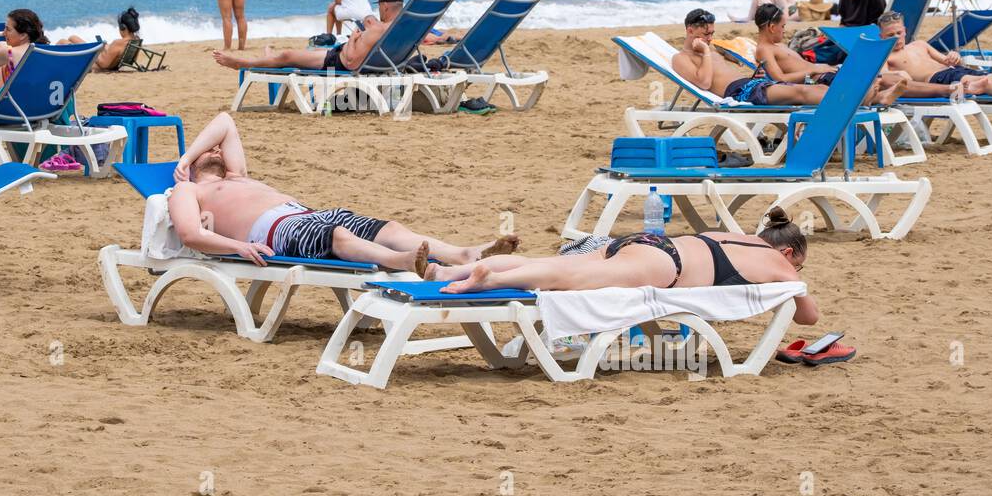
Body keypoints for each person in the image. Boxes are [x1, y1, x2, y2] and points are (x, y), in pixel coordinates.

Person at [167, 113, 519, 270]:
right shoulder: (188, 191)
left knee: (389, 228)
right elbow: (189, 233)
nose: (214, 149)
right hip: (275, 232)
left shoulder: (237, 175)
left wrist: (188, 153)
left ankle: (463, 254)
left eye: (214, 148)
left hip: (307, 213)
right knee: (336, 236)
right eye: (208, 151)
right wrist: (239, 247)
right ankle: (399, 262)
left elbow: (225, 121)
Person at [426, 207, 821, 326]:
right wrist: (796, 283)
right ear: (788, 253)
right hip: (666, 265)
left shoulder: (740, 237)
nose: (795, 275)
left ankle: (447, 272)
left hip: (649, 241)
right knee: (569, 277)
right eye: (798, 265)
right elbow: (809, 319)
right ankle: (486, 279)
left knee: (546, 261)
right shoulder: (782, 267)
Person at [673, 8, 906, 107]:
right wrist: (704, 53)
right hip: (739, 92)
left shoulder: (710, 50)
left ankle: (870, 99)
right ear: (690, 30)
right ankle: (864, 100)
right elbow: (703, 83)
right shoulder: (681, 58)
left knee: (815, 91)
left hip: (751, 85)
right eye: (705, 34)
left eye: (712, 33)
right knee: (801, 92)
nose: (709, 39)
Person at [213, 0, 405, 73]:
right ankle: (269, 57)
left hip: (337, 62)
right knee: (306, 53)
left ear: (385, 6)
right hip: (364, 61)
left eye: (379, 6)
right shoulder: (403, 27)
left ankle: (242, 63)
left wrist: (355, 38)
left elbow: (352, 61)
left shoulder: (377, 30)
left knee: (287, 56)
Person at [878, 11, 992, 97]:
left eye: (899, 33)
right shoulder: (887, 57)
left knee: (990, 76)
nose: (896, 38)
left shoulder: (920, 44)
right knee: (985, 83)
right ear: (882, 37)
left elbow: (947, 61)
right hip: (940, 79)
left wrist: (954, 57)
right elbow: (882, 75)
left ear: (905, 31)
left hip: (955, 70)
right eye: (890, 35)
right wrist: (898, 74)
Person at [753, 3, 840, 86]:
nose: (784, 31)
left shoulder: (776, 46)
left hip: (823, 74)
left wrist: (817, 67)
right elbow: (780, 79)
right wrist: (814, 70)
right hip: (820, 81)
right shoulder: (764, 49)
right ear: (772, 27)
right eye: (782, 26)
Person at [58, 7, 143, 71]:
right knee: (73, 37)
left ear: (123, 27)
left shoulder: (118, 43)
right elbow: (127, 58)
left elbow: (103, 64)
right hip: (106, 61)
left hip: (93, 64)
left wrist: (96, 50)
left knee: (63, 42)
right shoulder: (135, 40)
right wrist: (105, 48)